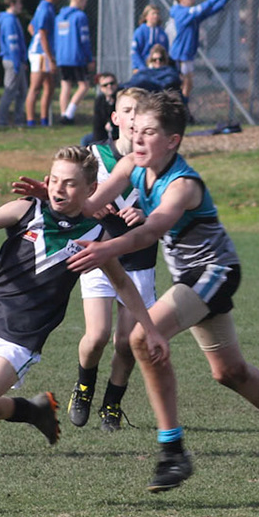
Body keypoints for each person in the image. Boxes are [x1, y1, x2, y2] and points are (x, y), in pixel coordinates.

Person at [65, 89, 259, 496]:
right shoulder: (131, 165)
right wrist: (55, 195)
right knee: (229, 372)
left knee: (142, 337)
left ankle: (172, 451)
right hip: (191, 279)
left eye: (149, 132)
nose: (138, 137)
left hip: (215, 272)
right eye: (136, 129)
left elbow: (151, 232)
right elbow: (88, 206)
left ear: (172, 141)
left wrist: (106, 249)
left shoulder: (182, 185)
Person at [0, 146, 169, 515]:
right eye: (55, 180)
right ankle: (33, 410)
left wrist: (150, 329)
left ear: (90, 189)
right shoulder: (27, 210)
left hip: (21, 339)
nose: (59, 189)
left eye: (70, 184)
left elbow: (123, 284)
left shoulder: (97, 235)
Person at [69, 85, 159, 432]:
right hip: (99, 253)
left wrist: (147, 216)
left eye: (140, 110)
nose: (134, 117)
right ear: (115, 118)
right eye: (127, 110)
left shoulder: (153, 160)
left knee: (126, 342)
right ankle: (84, 387)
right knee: (97, 336)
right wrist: (89, 207)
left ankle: (112, 403)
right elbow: (73, 199)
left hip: (139, 258)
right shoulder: (93, 155)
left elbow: (170, 205)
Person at [168, 0, 235, 100]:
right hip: (179, 55)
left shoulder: (192, 14)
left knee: (188, 83)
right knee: (182, 83)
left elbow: (211, 10)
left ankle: (183, 105)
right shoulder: (181, 12)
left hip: (188, 55)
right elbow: (204, 6)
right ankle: (179, 105)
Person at [54, 0, 94, 124]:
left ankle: (63, 114)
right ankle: (69, 114)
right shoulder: (80, 16)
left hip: (62, 56)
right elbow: (84, 39)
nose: (85, 4)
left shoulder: (59, 17)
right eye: (85, 1)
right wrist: (89, 57)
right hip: (76, 57)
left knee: (65, 85)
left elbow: (56, 38)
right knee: (84, 86)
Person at [26, 0, 59, 127]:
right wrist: (50, 57)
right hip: (40, 53)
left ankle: (44, 120)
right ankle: (30, 121)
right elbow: (42, 33)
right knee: (35, 88)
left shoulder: (44, 6)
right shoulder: (45, 9)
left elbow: (31, 27)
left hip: (43, 51)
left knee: (49, 87)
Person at [0, 0, 28, 127]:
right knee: (10, 91)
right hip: (12, 60)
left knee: (23, 91)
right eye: (19, 3)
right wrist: (16, 62)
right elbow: (12, 44)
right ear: (12, 4)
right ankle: (2, 121)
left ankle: (19, 119)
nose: (21, 6)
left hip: (17, 60)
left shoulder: (14, 19)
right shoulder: (9, 21)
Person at [131, 4, 167, 73]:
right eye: (153, 14)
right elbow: (135, 52)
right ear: (146, 16)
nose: (156, 16)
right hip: (141, 67)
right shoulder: (140, 31)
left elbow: (165, 52)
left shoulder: (162, 33)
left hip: (158, 67)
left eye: (157, 14)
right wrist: (142, 67)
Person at [88, 72, 120, 146]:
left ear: (116, 84)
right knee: (86, 140)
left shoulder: (121, 98)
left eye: (112, 83)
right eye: (105, 85)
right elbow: (97, 123)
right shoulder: (99, 100)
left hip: (119, 133)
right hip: (104, 133)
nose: (109, 86)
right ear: (101, 88)